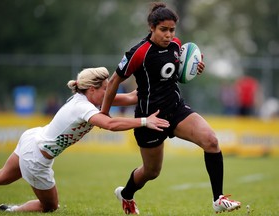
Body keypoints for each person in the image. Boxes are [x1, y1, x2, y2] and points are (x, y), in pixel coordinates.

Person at [101, 2, 241, 214]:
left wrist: (194, 67)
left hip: (176, 109)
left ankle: (218, 199)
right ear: (152, 27)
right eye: (163, 30)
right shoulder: (139, 53)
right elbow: (113, 83)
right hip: (150, 118)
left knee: (211, 141)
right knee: (151, 172)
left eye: (171, 30)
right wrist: (104, 113)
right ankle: (127, 193)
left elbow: (174, 74)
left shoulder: (176, 45)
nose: (168, 35)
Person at [0, 67, 170, 212]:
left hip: (32, 139)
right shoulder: (83, 107)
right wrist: (145, 121)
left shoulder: (88, 98)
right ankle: (11, 211)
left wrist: (161, 77)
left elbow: (132, 97)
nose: (110, 92)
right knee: (50, 207)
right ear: (92, 89)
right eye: (106, 88)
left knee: (2, 177)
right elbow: (110, 124)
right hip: (36, 157)